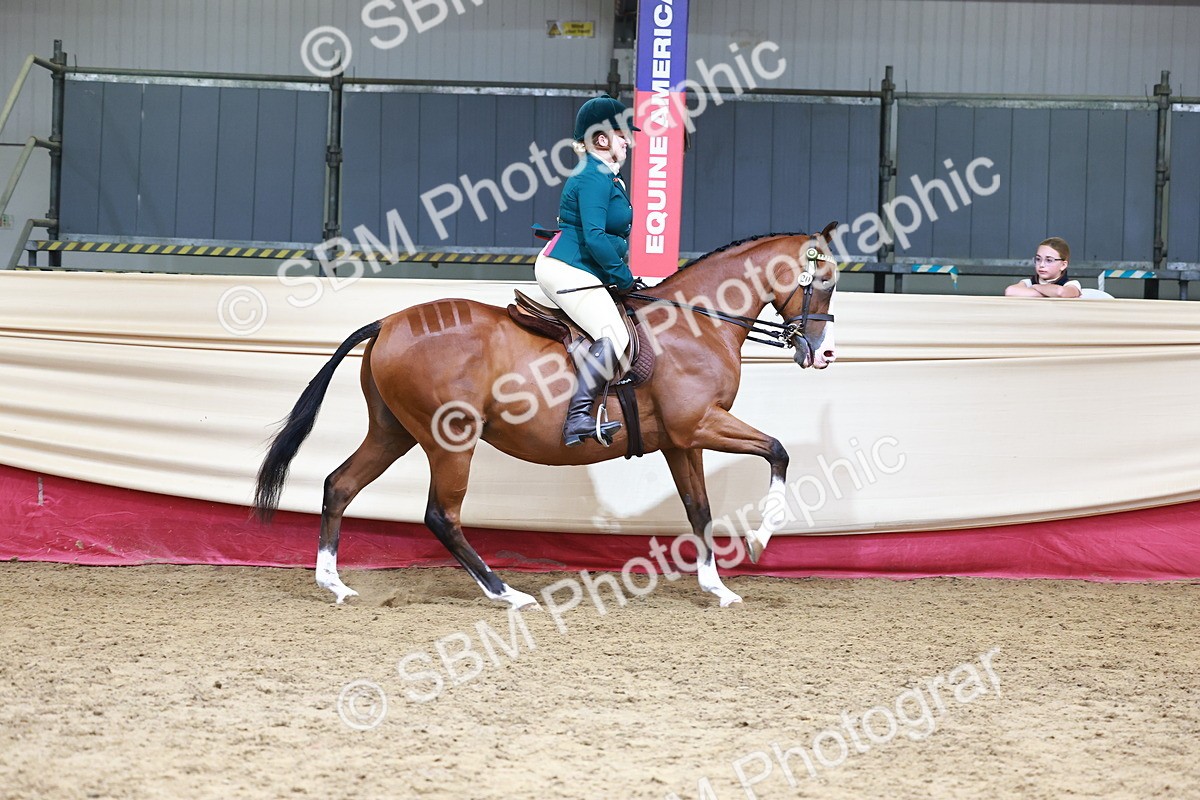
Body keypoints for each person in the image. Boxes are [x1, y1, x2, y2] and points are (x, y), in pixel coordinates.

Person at [535, 96, 642, 447]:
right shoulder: (594, 176)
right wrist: (623, 278)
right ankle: (578, 418)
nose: (628, 142)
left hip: (583, 268)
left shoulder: (608, 177)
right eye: (622, 135)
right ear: (601, 139)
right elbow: (595, 237)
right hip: (566, 267)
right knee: (614, 334)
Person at [1004, 237, 1082, 298]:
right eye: (1038, 259)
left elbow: (1060, 292)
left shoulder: (1072, 284)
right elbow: (1010, 291)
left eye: (1049, 260)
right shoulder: (1028, 282)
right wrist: (1050, 293)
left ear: (1063, 265)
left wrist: (1035, 287)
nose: (1042, 265)